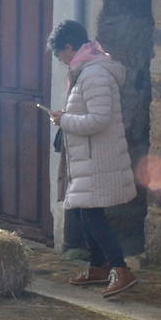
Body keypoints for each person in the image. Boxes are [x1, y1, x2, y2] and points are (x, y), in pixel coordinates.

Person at [46, 20, 138, 299]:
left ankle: (120, 269)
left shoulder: (94, 74)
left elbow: (99, 119)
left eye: (59, 54)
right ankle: (99, 265)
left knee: (91, 214)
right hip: (89, 157)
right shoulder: (86, 71)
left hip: (97, 157)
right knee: (87, 212)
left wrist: (65, 119)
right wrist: (67, 118)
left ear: (70, 47)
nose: (60, 61)